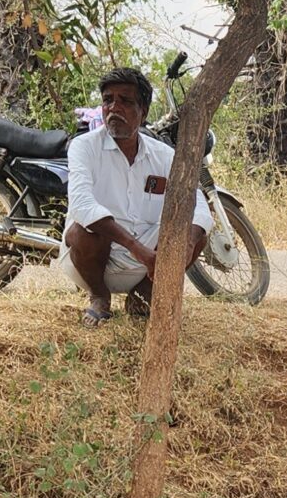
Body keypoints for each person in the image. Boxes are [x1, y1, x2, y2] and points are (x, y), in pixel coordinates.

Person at [63, 63, 209, 324]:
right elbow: (82, 205)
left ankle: (142, 296)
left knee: (197, 234)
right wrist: (136, 248)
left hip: (151, 265)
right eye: (108, 100)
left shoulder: (164, 155)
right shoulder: (84, 147)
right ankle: (100, 297)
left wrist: (187, 242)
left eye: (125, 101)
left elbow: (198, 205)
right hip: (95, 259)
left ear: (143, 112)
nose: (114, 108)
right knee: (82, 230)